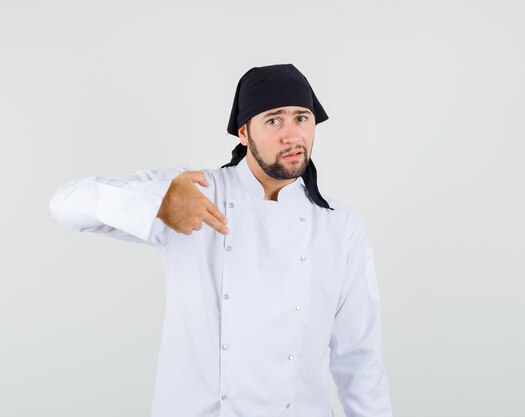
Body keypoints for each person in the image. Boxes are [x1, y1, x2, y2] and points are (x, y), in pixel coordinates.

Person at [49, 63, 394, 417]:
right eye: (274, 120)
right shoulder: (193, 192)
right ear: (244, 133)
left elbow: (359, 361)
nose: (292, 135)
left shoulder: (340, 226)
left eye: (301, 119)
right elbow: (65, 205)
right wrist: (158, 200)